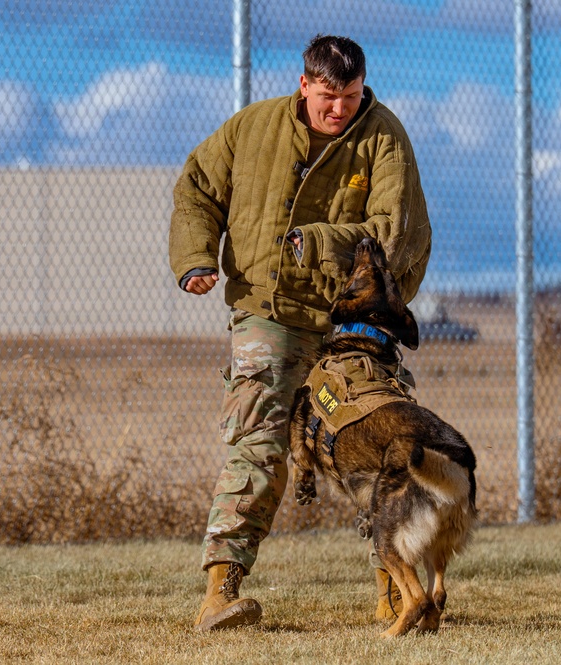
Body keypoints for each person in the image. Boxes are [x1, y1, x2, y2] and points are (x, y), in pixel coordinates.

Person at [169, 34, 432, 631]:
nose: (339, 108)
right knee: (258, 439)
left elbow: (393, 231)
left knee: (381, 442)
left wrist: (318, 242)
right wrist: (195, 257)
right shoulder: (252, 128)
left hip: (351, 322)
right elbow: (197, 187)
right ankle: (220, 592)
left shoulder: (384, 137)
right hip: (269, 311)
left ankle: (397, 590)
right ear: (304, 83)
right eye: (328, 96)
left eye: (351, 96)